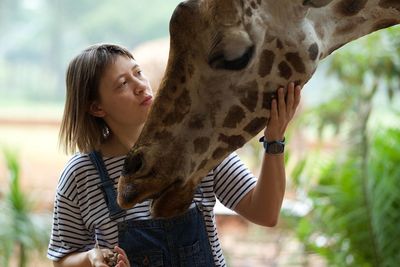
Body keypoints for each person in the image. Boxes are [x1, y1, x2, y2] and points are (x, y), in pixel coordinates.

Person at [47, 43, 301, 267]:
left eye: (138, 73)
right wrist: (92, 257)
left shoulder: (197, 144)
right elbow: (61, 259)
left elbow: (265, 212)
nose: (140, 86)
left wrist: (274, 140)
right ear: (96, 107)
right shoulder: (81, 175)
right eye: (123, 83)